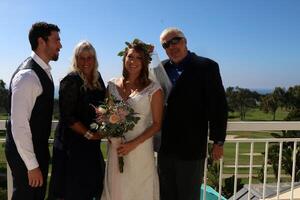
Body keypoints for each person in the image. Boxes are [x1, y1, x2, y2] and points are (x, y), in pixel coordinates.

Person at [157, 27, 228, 200]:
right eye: (166, 44)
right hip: (165, 147)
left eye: (175, 40)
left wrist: (218, 141)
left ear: (185, 41)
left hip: (191, 147)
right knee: (165, 194)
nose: (171, 46)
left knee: (188, 195)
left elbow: (218, 106)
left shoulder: (207, 66)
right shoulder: (161, 69)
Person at [5, 22, 61, 200]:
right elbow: (19, 125)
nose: (60, 45)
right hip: (26, 156)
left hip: (36, 150)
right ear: (41, 42)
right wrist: (31, 165)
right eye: (56, 40)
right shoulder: (28, 76)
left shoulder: (43, 71)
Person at [101, 39, 164, 200]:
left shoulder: (154, 90)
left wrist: (133, 144)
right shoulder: (112, 86)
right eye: (130, 57)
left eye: (138, 58)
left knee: (138, 190)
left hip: (140, 151)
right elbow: (107, 115)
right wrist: (109, 133)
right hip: (116, 149)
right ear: (124, 59)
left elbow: (157, 124)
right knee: (116, 188)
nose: (133, 61)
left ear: (145, 62)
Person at [48, 41, 106, 200]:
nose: (86, 62)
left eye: (90, 58)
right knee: (72, 190)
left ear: (95, 59)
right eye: (82, 58)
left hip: (90, 144)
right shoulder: (71, 80)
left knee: (91, 189)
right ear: (76, 59)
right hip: (72, 144)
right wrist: (90, 135)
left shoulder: (97, 78)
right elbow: (68, 117)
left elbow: (105, 105)